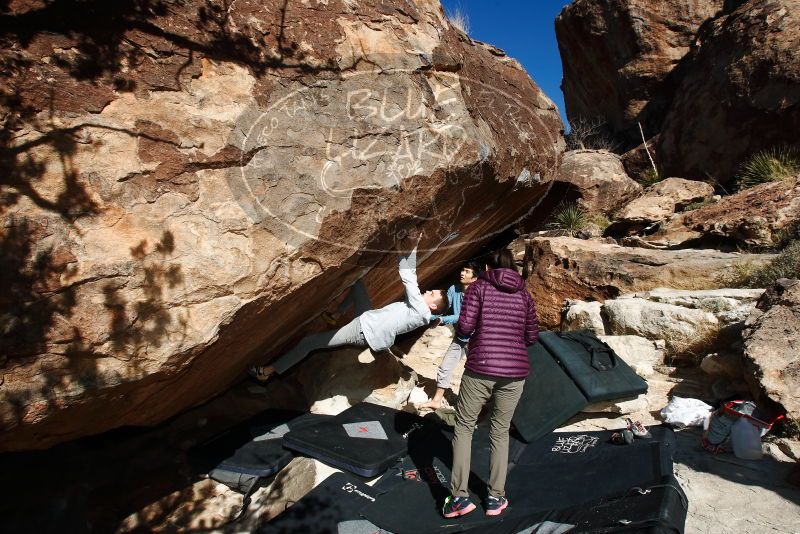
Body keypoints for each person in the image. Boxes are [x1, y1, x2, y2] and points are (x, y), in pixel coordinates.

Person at [249, 230, 448, 382]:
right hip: (369, 319)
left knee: (309, 343)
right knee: (358, 286)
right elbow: (410, 273)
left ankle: (268, 371)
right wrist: (403, 252)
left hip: (364, 331)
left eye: (431, 294)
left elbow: (408, 277)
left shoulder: (420, 310)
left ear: (432, 306)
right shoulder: (420, 309)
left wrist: (413, 245)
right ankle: (337, 314)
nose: (427, 291)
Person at [442, 248, 539, 519]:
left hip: (480, 369)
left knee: (463, 427)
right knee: (500, 430)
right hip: (515, 373)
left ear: (487, 267)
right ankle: (495, 498)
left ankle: (459, 499)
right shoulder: (524, 295)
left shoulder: (478, 289)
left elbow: (464, 327)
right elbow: (532, 336)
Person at [416, 261, 483, 411]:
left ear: (474, 278)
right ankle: (436, 401)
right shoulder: (454, 289)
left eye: (467, 271)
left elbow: (462, 316)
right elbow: (445, 308)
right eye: (462, 270)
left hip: (478, 340)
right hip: (460, 337)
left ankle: (477, 407)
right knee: (445, 367)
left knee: (478, 373)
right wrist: (431, 315)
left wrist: (443, 320)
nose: (462, 273)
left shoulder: (479, 293)